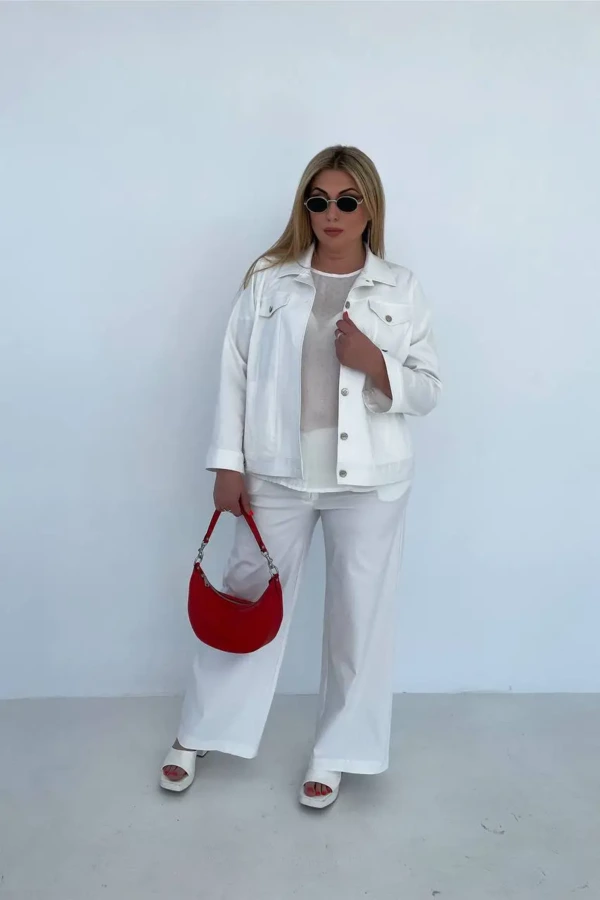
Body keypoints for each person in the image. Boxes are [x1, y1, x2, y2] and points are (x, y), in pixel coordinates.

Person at [160, 145, 441, 809]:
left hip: (369, 483)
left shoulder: (399, 287)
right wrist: (227, 463)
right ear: (304, 208)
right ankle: (202, 731)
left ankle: (338, 752)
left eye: (346, 200)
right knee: (246, 599)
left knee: (359, 619)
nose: (331, 213)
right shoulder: (269, 281)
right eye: (319, 200)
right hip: (277, 473)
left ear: (369, 207)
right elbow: (234, 372)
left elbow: (428, 388)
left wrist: (377, 363)